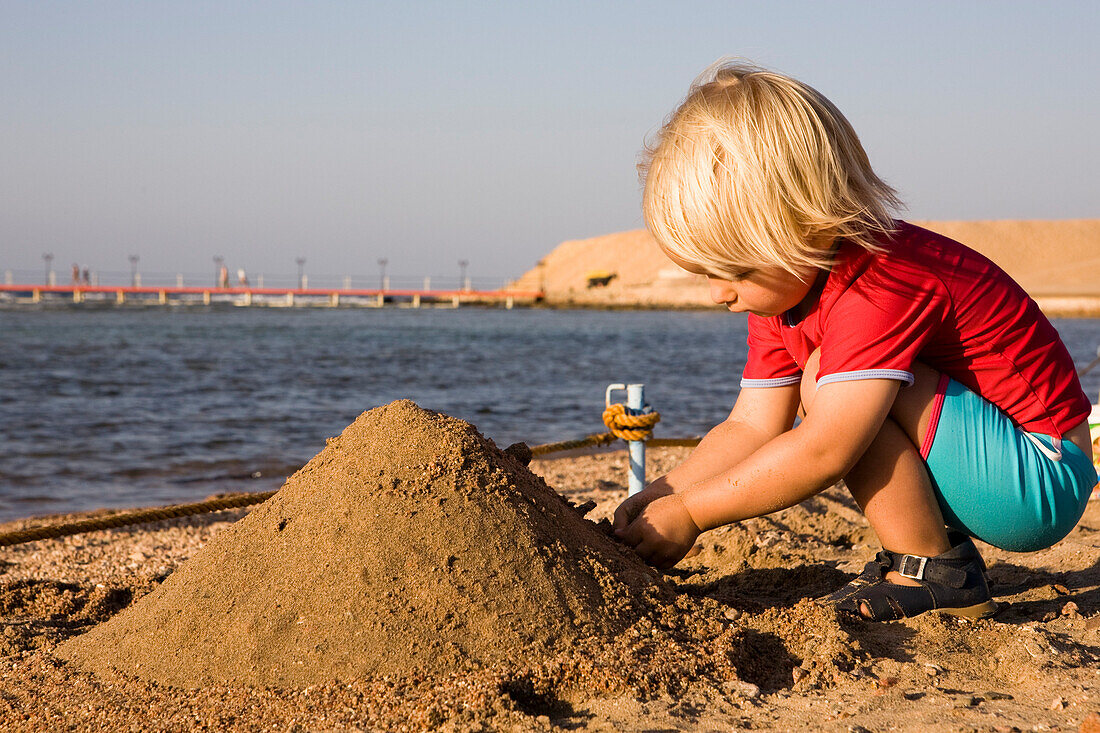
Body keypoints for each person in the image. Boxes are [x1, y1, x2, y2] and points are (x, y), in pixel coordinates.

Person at [613, 60, 1097, 622]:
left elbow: (826, 450)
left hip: (1040, 475)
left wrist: (692, 514)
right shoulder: (786, 290)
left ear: (809, 229)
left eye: (737, 269)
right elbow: (751, 426)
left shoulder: (882, 282)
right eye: (706, 271)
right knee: (832, 382)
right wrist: (661, 496)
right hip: (981, 463)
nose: (719, 293)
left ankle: (937, 570)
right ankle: (929, 558)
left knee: (827, 382)